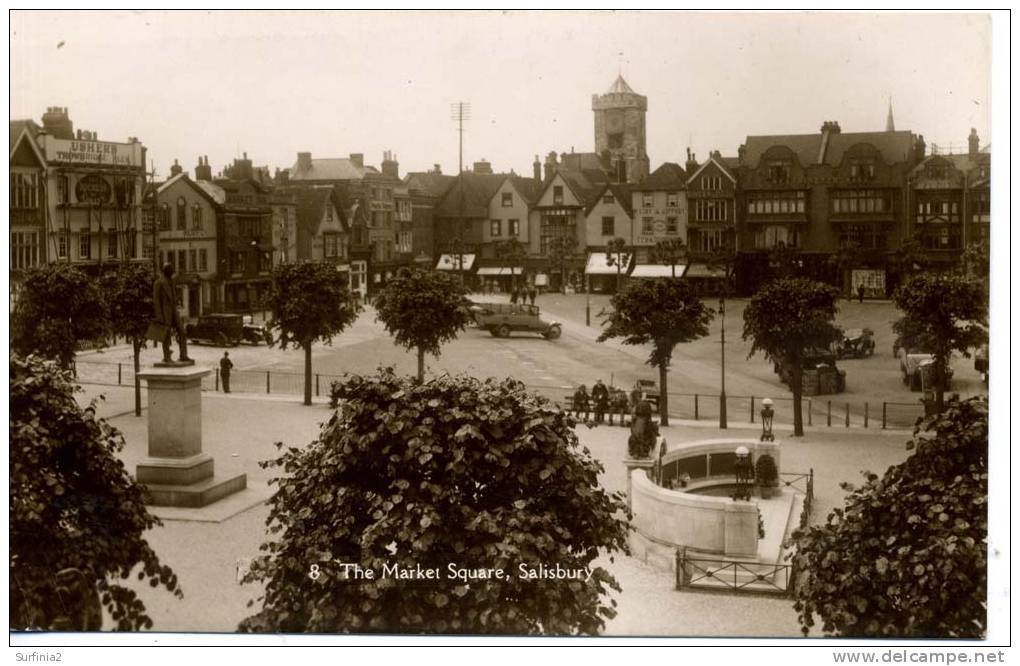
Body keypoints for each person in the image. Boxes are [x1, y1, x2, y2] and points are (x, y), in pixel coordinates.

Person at [152, 262, 191, 364]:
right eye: (171, 271)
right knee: (166, 335)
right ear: (166, 271)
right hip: (165, 313)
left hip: (174, 311)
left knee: (182, 332)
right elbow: (156, 301)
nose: (172, 273)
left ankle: (183, 355)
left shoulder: (172, 281)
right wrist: (159, 316)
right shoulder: (159, 283)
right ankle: (167, 357)